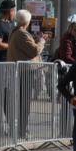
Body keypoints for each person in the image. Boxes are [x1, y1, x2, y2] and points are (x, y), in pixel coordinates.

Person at [8, 9, 45, 140]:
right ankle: (22, 132)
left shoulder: (16, 32)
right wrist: (41, 41)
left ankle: (21, 130)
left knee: (23, 103)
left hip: (21, 71)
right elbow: (34, 51)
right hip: (24, 72)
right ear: (27, 21)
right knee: (24, 104)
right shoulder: (21, 33)